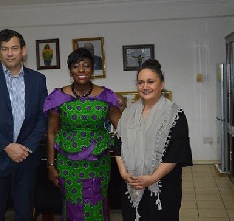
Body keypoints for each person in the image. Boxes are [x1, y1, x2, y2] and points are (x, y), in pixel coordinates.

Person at [0, 29, 47, 221]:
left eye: (14, 48)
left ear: (24, 50)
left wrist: (26, 147)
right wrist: (6, 146)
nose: (10, 53)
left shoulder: (38, 80)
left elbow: (42, 117)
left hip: (26, 160)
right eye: (5, 49)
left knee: (25, 215)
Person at [43, 47, 121, 220]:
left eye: (86, 66)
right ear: (70, 70)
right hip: (68, 164)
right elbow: (51, 133)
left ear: (92, 69)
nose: (81, 70)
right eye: (76, 66)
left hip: (98, 163)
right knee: (73, 204)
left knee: (96, 202)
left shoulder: (106, 96)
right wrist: (50, 165)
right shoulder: (58, 97)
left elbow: (122, 128)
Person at [115, 59, 192, 221]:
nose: (145, 86)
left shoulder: (175, 115)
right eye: (141, 82)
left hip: (163, 187)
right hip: (132, 184)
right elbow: (118, 145)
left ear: (162, 84)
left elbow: (175, 153)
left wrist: (152, 178)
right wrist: (123, 173)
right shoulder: (128, 114)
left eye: (150, 82)